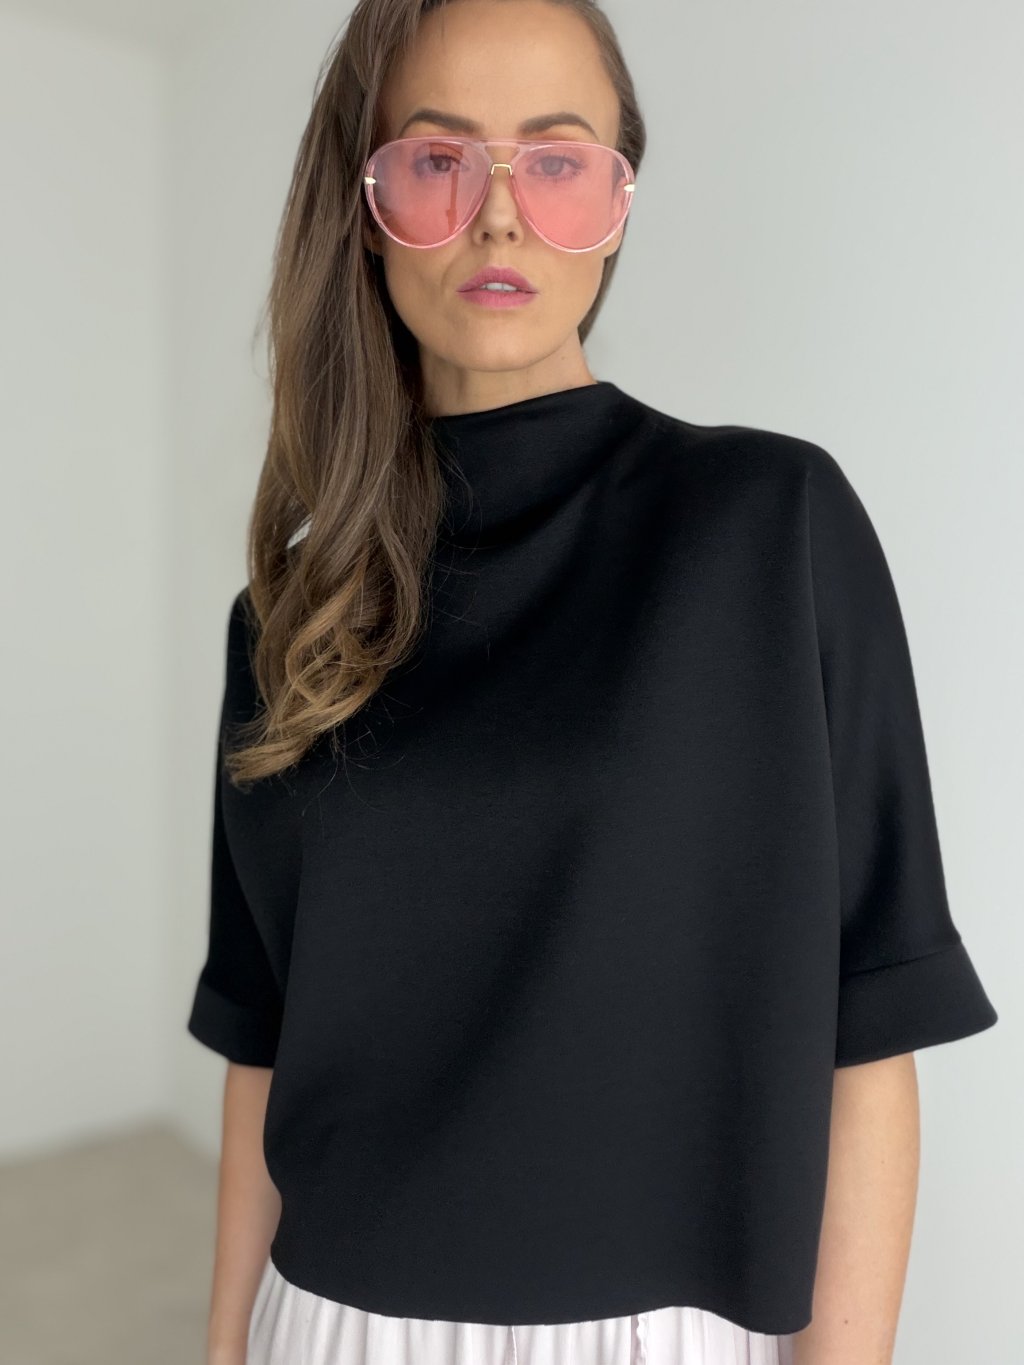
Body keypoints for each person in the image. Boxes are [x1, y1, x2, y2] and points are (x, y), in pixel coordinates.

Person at [186, 2, 999, 1363]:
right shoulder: (288, 620)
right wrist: (222, 1347)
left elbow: (872, 1019)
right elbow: (262, 1040)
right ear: (368, 204)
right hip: (330, 1326)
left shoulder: (768, 526)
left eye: (557, 159)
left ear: (619, 202)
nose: (501, 216)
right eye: (438, 159)